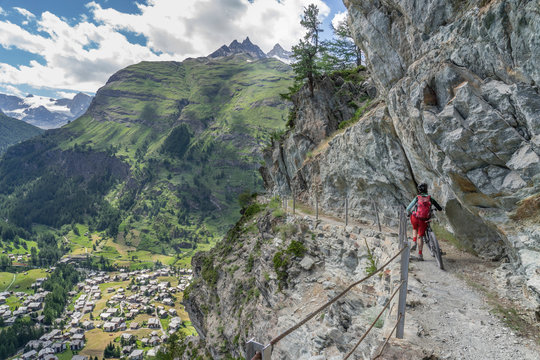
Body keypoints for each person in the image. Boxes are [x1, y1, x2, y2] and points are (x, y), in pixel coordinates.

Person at [406, 183, 442, 260]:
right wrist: (438, 210)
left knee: (415, 228)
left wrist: (408, 213)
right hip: (424, 220)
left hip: (415, 217)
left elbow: (408, 208)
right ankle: (420, 255)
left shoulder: (417, 198)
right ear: (426, 190)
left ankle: (414, 242)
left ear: (419, 190)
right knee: (420, 236)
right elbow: (439, 208)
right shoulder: (430, 198)